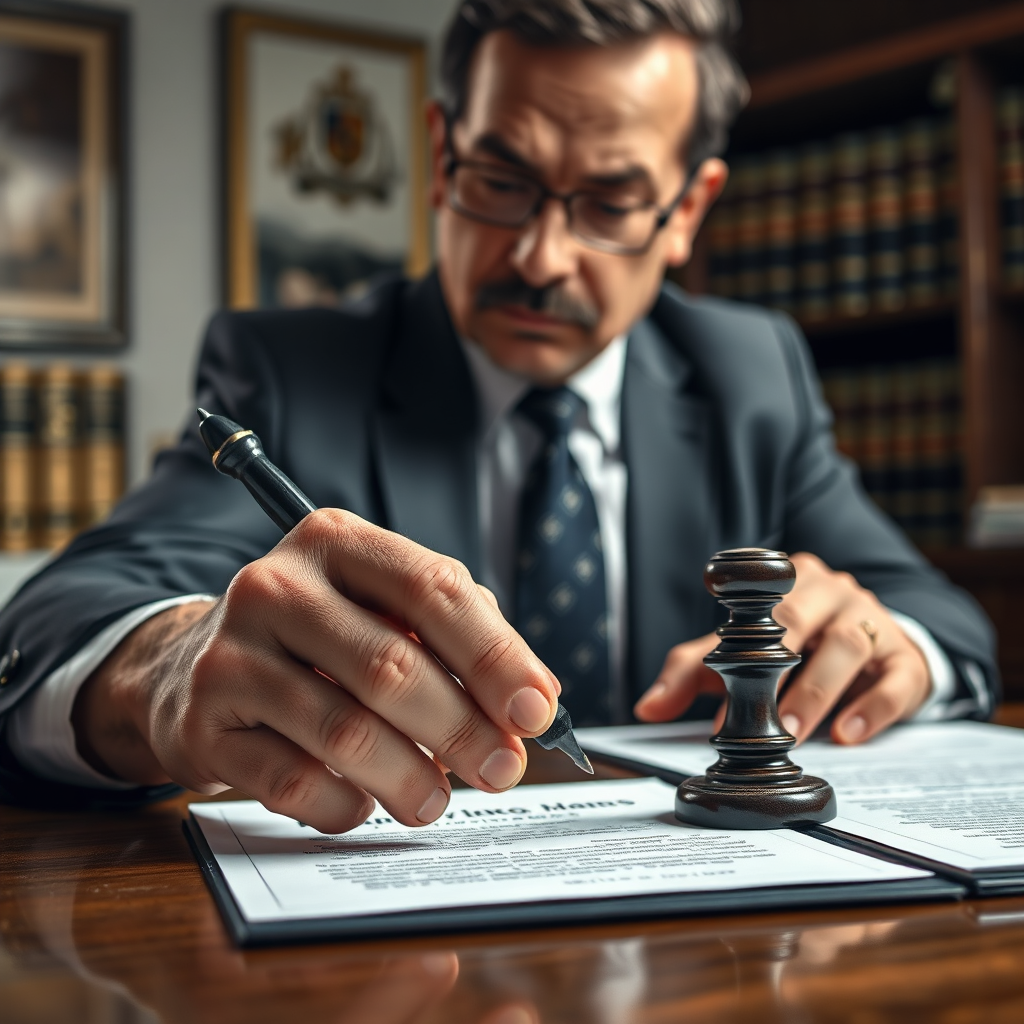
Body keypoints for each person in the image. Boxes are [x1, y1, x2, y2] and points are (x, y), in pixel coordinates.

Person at [0, 0, 997, 831]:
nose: (541, 257)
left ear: (687, 212)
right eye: (500, 181)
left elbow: (943, 616)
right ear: (439, 156)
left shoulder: (752, 373)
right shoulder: (294, 369)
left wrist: (888, 641)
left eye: (609, 203)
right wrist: (165, 667)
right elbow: (56, 621)